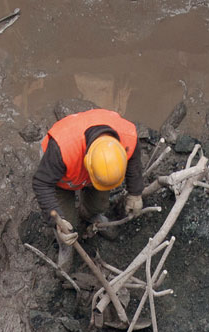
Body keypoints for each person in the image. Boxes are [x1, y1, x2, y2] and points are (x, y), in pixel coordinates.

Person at [33, 107, 148, 254]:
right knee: (68, 225)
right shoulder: (61, 149)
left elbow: (134, 161)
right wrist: (57, 220)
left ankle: (91, 215)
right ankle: (65, 245)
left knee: (99, 205)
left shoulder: (127, 137)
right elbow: (42, 183)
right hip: (59, 178)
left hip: (93, 172)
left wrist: (135, 193)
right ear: (87, 164)